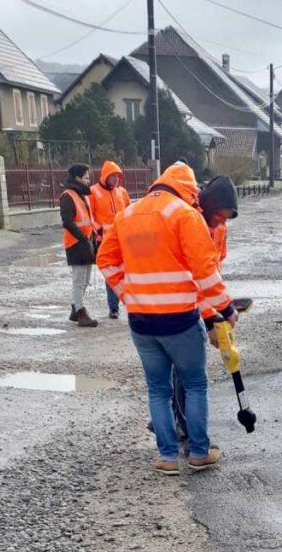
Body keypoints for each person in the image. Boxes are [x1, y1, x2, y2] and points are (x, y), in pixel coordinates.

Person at [97, 161, 237, 476]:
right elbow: (205, 271)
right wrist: (225, 310)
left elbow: (105, 259)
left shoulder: (127, 214)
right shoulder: (185, 215)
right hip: (180, 320)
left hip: (142, 321)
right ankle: (199, 453)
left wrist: (127, 294)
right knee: (195, 383)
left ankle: (167, 457)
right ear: (189, 189)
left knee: (158, 388)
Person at [159, 174, 239, 452]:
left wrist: (218, 307)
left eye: (227, 217)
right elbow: (193, 276)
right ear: (207, 206)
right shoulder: (187, 221)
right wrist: (214, 315)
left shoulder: (219, 231)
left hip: (201, 301)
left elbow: (213, 272)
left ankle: (173, 419)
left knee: (185, 373)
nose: (222, 222)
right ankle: (185, 431)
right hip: (182, 306)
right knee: (187, 375)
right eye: (219, 215)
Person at [90, 160, 131, 320]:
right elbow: (89, 215)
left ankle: (131, 303)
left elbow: (129, 212)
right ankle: (113, 308)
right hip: (105, 240)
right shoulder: (93, 192)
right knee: (111, 274)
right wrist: (97, 230)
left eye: (117, 176)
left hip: (124, 239)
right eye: (112, 176)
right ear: (105, 176)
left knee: (128, 271)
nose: (115, 179)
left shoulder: (122, 192)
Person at [60, 164, 98, 328]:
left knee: (86, 279)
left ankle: (76, 309)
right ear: (77, 178)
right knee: (79, 280)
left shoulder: (81, 195)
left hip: (86, 241)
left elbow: (88, 219)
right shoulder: (67, 196)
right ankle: (81, 312)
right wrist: (83, 237)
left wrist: (91, 238)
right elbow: (68, 222)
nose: (88, 181)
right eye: (86, 177)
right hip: (76, 243)